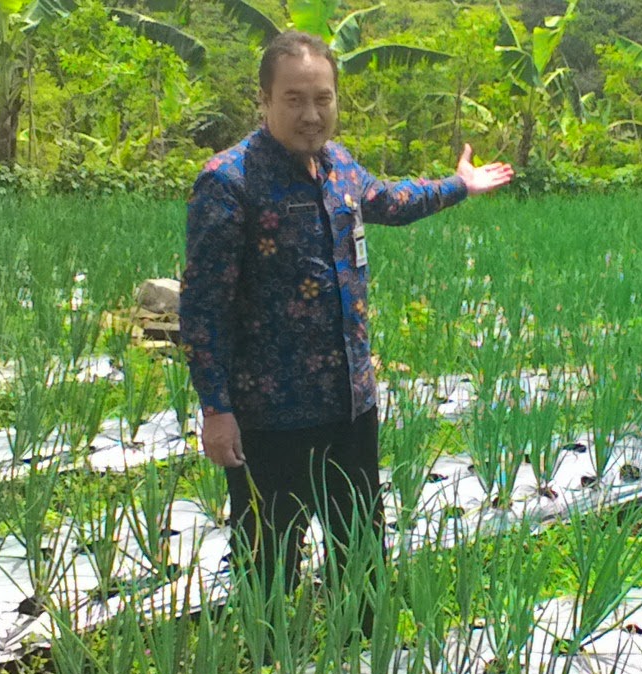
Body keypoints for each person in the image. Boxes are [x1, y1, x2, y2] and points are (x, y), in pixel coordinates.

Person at [179, 32, 513, 609]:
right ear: (264, 99)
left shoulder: (338, 166)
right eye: (294, 99)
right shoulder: (229, 181)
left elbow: (392, 201)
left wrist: (461, 184)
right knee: (269, 565)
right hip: (269, 414)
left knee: (359, 554)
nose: (312, 114)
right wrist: (217, 410)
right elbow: (202, 309)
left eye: (323, 98)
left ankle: (358, 668)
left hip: (350, 405)